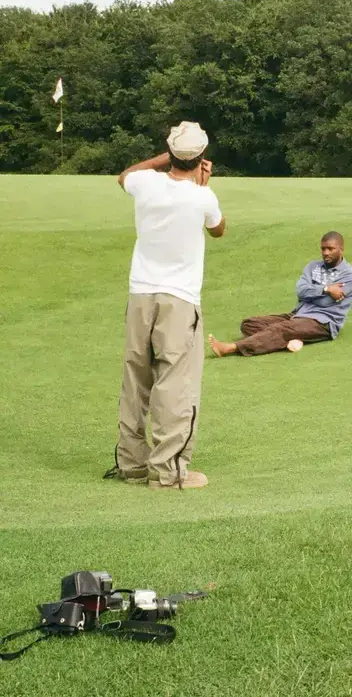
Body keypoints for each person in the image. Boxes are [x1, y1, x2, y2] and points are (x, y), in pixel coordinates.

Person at [106, 121, 226, 490]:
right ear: (202, 157)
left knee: (136, 379)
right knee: (176, 382)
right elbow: (218, 229)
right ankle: (168, 471)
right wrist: (201, 185)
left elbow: (125, 175)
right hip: (180, 299)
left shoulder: (146, 182)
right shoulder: (203, 197)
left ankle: (132, 465)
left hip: (140, 294)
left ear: (169, 152)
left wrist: (165, 158)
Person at [208, 231, 352, 357]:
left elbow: (325, 303)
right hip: (297, 315)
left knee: (279, 329)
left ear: (341, 249)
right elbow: (301, 290)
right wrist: (326, 289)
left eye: (330, 249)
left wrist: (311, 292)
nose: (325, 253)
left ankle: (232, 348)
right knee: (250, 324)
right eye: (323, 249)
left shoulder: (349, 276)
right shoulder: (313, 266)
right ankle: (290, 341)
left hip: (322, 323)